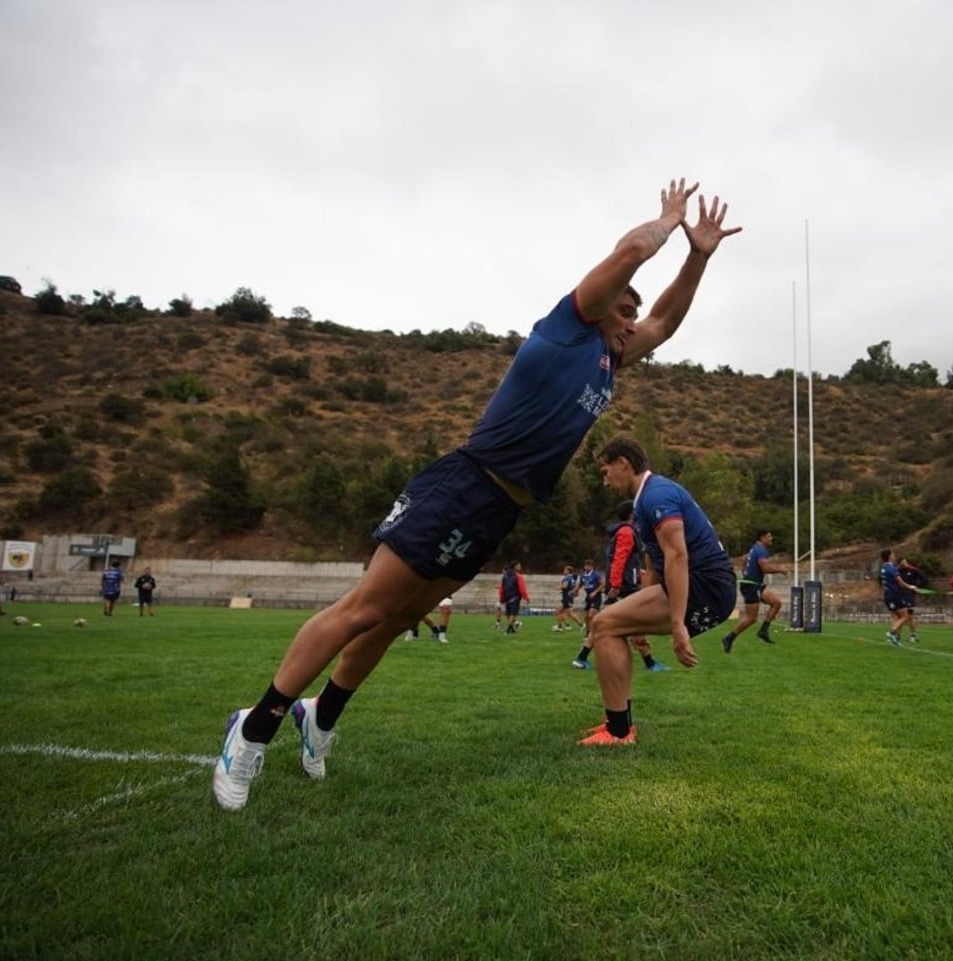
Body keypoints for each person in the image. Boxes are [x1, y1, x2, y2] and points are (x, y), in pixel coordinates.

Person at [212, 178, 740, 810]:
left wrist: (699, 256)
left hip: (499, 509)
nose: (634, 323)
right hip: (461, 485)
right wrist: (668, 222)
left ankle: (319, 718)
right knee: (362, 608)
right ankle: (254, 729)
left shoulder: (608, 362)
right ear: (599, 308)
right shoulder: (569, 328)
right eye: (624, 311)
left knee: (398, 619)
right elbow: (628, 253)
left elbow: (667, 321)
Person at [576, 437, 734, 745]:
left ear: (624, 463)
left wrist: (678, 625)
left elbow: (677, 555)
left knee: (605, 624)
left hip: (707, 587)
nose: (605, 482)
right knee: (608, 624)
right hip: (704, 584)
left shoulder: (656, 496)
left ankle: (619, 732)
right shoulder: (647, 498)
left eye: (606, 472)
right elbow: (657, 561)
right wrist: (639, 608)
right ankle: (618, 725)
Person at [571, 503, 669, 673]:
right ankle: (650, 662)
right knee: (635, 621)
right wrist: (616, 585)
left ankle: (582, 657)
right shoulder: (626, 532)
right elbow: (619, 559)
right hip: (624, 587)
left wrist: (637, 573)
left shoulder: (626, 532)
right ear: (631, 514)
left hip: (624, 584)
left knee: (612, 622)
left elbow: (625, 561)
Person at [723, 529, 786, 652]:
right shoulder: (761, 550)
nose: (771, 538)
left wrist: (745, 572)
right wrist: (780, 570)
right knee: (751, 618)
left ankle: (763, 631)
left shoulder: (754, 548)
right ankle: (729, 637)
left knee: (776, 603)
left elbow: (743, 558)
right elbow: (765, 568)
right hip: (751, 586)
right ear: (762, 538)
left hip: (755, 584)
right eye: (769, 536)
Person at [878, 550, 917, 646]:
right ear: (889, 556)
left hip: (887, 595)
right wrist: (911, 587)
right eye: (892, 554)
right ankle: (892, 633)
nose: (894, 555)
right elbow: (901, 583)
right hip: (895, 595)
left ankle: (895, 639)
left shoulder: (883, 568)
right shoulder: (892, 569)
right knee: (905, 616)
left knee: (896, 617)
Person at [498, 562, 528, 633]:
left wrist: (502, 598)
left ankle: (512, 629)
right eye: (519, 566)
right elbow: (522, 589)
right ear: (515, 567)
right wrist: (526, 598)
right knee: (513, 614)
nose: (520, 567)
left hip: (507, 597)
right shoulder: (518, 576)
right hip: (515, 597)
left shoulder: (505, 576)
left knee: (509, 614)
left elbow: (502, 589)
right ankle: (508, 630)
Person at [579, 558, 604, 631]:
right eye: (586, 566)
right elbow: (580, 583)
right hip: (588, 597)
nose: (587, 567)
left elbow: (603, 584)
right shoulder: (583, 575)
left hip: (596, 597)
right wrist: (575, 590)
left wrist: (595, 592)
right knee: (586, 617)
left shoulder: (596, 574)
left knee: (591, 615)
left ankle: (595, 630)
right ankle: (588, 632)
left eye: (589, 566)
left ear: (592, 567)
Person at [553, 566, 581, 631]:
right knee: (564, 612)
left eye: (564, 570)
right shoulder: (573, 578)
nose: (563, 571)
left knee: (558, 611)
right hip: (569, 597)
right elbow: (571, 588)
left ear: (568, 571)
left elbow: (565, 586)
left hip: (566, 598)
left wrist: (559, 587)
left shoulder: (567, 577)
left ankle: (560, 627)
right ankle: (564, 626)